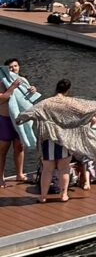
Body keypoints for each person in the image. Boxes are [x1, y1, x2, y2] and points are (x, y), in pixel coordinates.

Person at [0, 58, 38, 186]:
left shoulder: (23, 80)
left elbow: (27, 100)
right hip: (5, 119)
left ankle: (19, 174)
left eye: (15, 66)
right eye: (10, 67)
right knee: (3, 150)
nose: (13, 69)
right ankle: (0, 177)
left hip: (20, 119)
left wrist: (32, 90)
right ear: (6, 69)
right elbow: (2, 99)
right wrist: (12, 87)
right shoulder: (2, 81)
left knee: (19, 146)